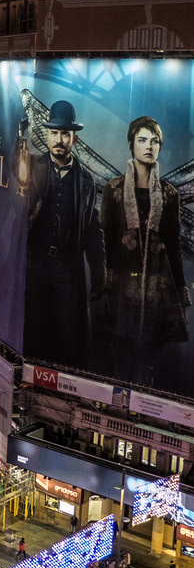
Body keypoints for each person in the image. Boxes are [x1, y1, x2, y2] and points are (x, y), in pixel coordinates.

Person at [100, 116, 190, 385]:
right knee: (121, 366)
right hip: (119, 294)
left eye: (154, 141)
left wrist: (182, 297)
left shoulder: (170, 195)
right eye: (142, 140)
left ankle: (139, 420)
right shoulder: (113, 190)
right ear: (131, 144)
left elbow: (174, 248)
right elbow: (104, 244)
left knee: (146, 368)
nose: (148, 146)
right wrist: (103, 289)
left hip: (156, 295)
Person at [22, 100, 105, 369]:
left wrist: (99, 275)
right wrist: (18, 134)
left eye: (65, 134)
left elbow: (94, 230)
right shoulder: (33, 166)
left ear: (74, 138)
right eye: (55, 133)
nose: (59, 139)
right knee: (34, 329)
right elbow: (13, 165)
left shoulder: (86, 181)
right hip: (36, 262)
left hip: (68, 268)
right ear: (47, 135)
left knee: (67, 335)